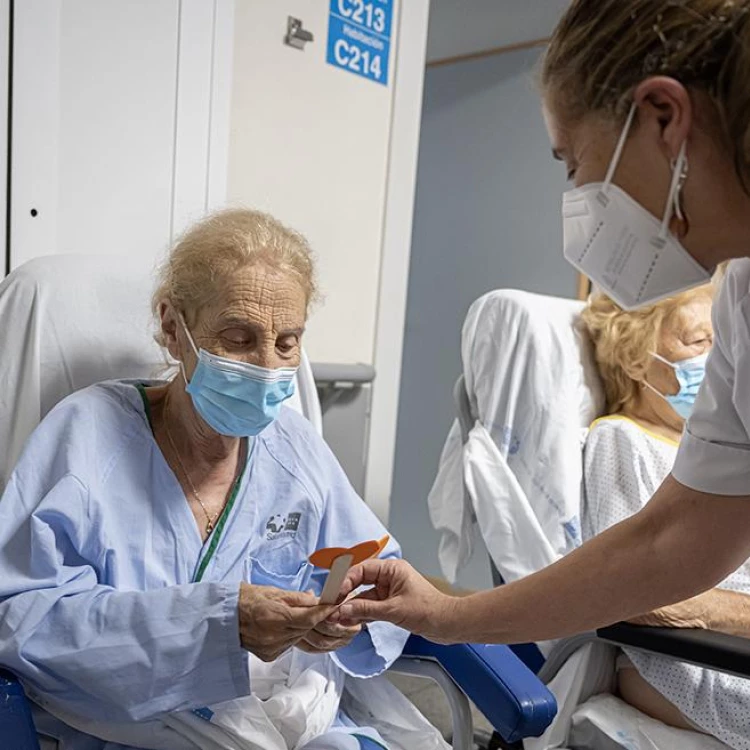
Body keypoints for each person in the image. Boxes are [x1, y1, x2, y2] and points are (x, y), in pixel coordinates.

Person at [333, 0, 750, 657]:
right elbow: (667, 541)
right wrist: (445, 614)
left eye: (572, 163)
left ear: (663, 117)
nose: (578, 195)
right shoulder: (741, 305)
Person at [0, 209, 442, 750]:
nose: (266, 366)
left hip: (295, 725)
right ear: (171, 327)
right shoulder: (87, 434)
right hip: (134, 733)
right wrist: (215, 625)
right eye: (238, 338)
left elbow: (372, 563)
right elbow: (25, 620)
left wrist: (347, 618)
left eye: (287, 342)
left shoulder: (293, 445)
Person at [581, 288, 750, 748]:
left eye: (723, 344)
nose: (717, 363)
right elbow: (630, 591)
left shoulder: (720, 458)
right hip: (696, 661)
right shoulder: (622, 440)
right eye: (698, 343)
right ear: (637, 360)